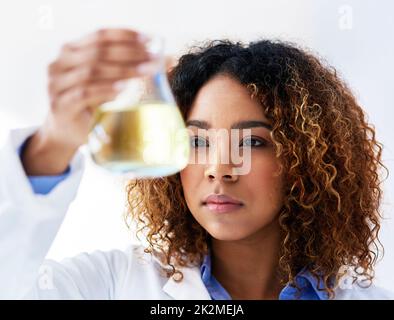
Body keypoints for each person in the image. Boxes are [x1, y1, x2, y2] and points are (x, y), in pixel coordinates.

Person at [0, 28, 392, 300]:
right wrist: (52, 146)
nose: (219, 169)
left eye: (253, 141)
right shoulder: (112, 284)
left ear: (307, 160)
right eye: (198, 141)